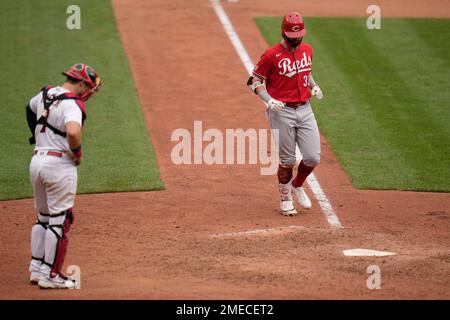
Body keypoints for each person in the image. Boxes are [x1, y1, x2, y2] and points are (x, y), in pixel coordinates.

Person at [26, 63, 101, 289]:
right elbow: (73, 131)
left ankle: (37, 269)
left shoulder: (45, 94)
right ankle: (52, 275)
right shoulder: (73, 105)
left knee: (43, 217)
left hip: (37, 162)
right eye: (89, 87)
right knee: (61, 221)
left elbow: (28, 108)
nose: (89, 93)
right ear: (81, 83)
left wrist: (36, 138)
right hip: (59, 165)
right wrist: (77, 153)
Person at [247, 12, 324, 216]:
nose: (296, 39)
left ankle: (297, 185)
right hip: (282, 112)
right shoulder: (271, 55)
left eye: (299, 35)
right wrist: (269, 100)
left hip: (305, 109)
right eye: (292, 35)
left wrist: (314, 86)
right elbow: (253, 80)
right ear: (284, 32)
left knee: (312, 157)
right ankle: (285, 197)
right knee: (288, 160)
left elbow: (305, 72)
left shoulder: (307, 50)